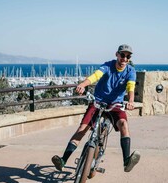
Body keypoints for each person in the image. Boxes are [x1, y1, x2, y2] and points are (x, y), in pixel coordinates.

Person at [51, 44, 140, 173]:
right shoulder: (108, 66)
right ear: (117, 54)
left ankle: (127, 161)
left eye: (128, 57)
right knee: (82, 129)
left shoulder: (130, 71)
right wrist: (83, 84)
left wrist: (131, 101)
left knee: (124, 125)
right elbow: (95, 76)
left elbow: (130, 87)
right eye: (122, 55)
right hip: (98, 101)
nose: (125, 59)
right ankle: (63, 160)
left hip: (116, 104)